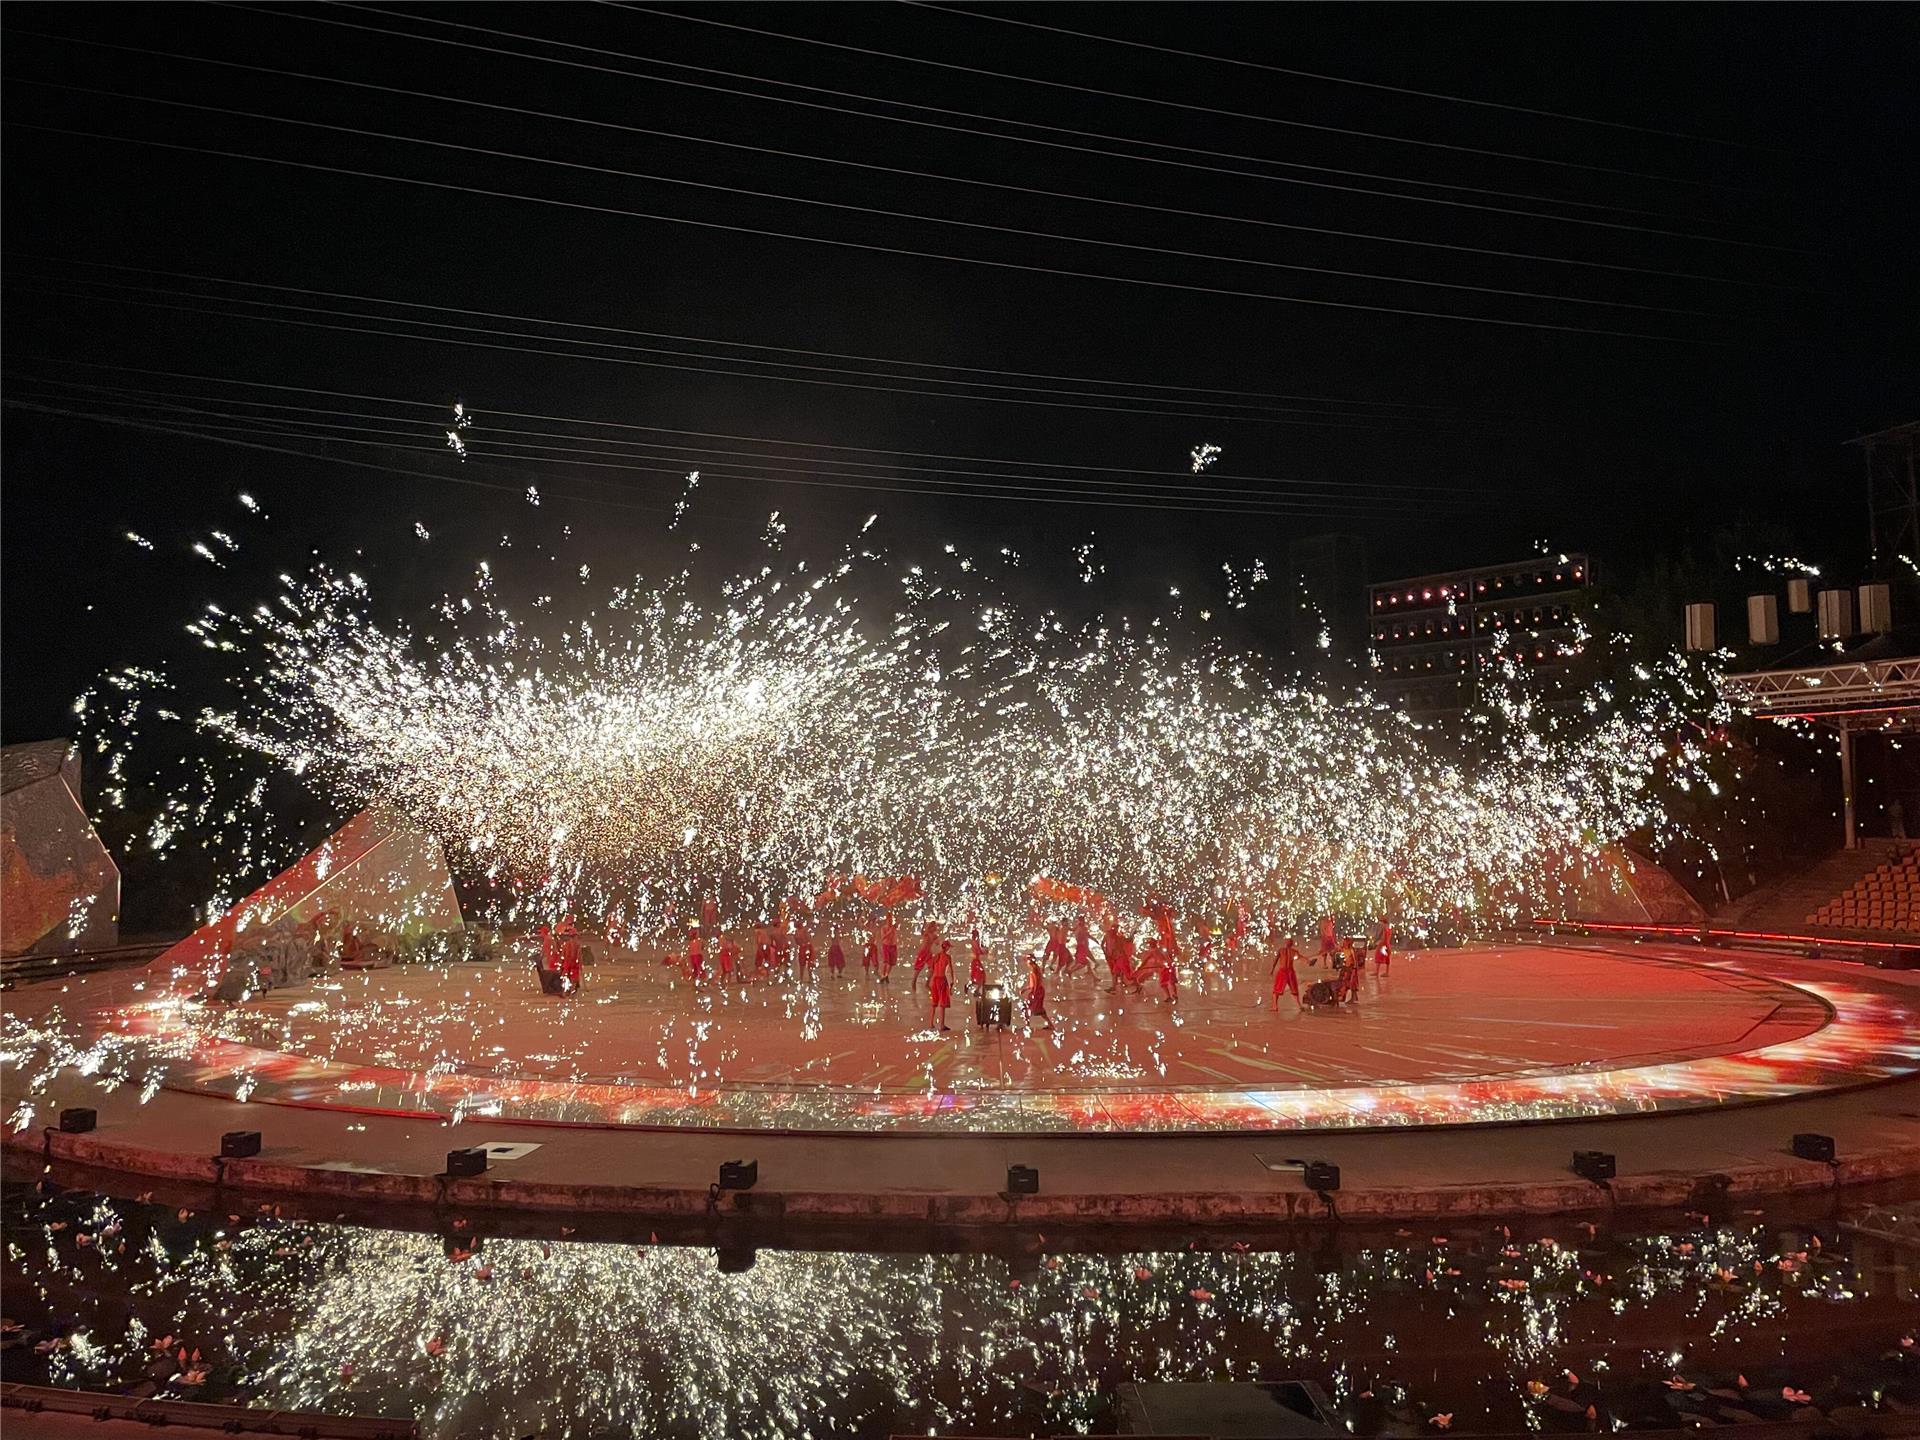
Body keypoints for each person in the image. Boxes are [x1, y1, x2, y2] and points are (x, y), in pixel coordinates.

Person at [1269, 934, 1300, 1011]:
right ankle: (1275, 1006)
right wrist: (1272, 969)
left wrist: (1272, 970)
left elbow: (1301, 957)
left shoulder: (1290, 951)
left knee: (1278, 990)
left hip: (1286, 971)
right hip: (1286, 972)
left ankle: (1275, 1007)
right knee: (1280, 990)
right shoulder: (1283, 950)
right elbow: (1276, 960)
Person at [928, 939, 955, 1031]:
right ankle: (942, 1025)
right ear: (946, 947)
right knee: (943, 1004)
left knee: (934, 1003)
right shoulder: (947, 957)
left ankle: (931, 1023)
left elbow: (931, 969)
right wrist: (952, 982)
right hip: (942, 980)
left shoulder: (936, 956)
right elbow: (951, 970)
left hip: (935, 980)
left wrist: (928, 981)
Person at [1023, 953, 1053, 1031]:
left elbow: (1036, 982)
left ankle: (1027, 1025)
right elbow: (1033, 983)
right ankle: (1050, 1024)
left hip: (1037, 992)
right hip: (1038, 991)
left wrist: (1034, 992)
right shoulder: (1035, 968)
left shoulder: (1034, 969)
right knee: (1039, 1010)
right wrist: (1025, 989)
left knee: (1027, 1007)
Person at [968, 926, 987, 994]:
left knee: (978, 977)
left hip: (976, 961)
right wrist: (984, 951)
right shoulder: (975, 942)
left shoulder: (974, 941)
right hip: (976, 962)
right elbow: (978, 951)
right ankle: (976, 990)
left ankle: (974, 988)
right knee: (982, 977)